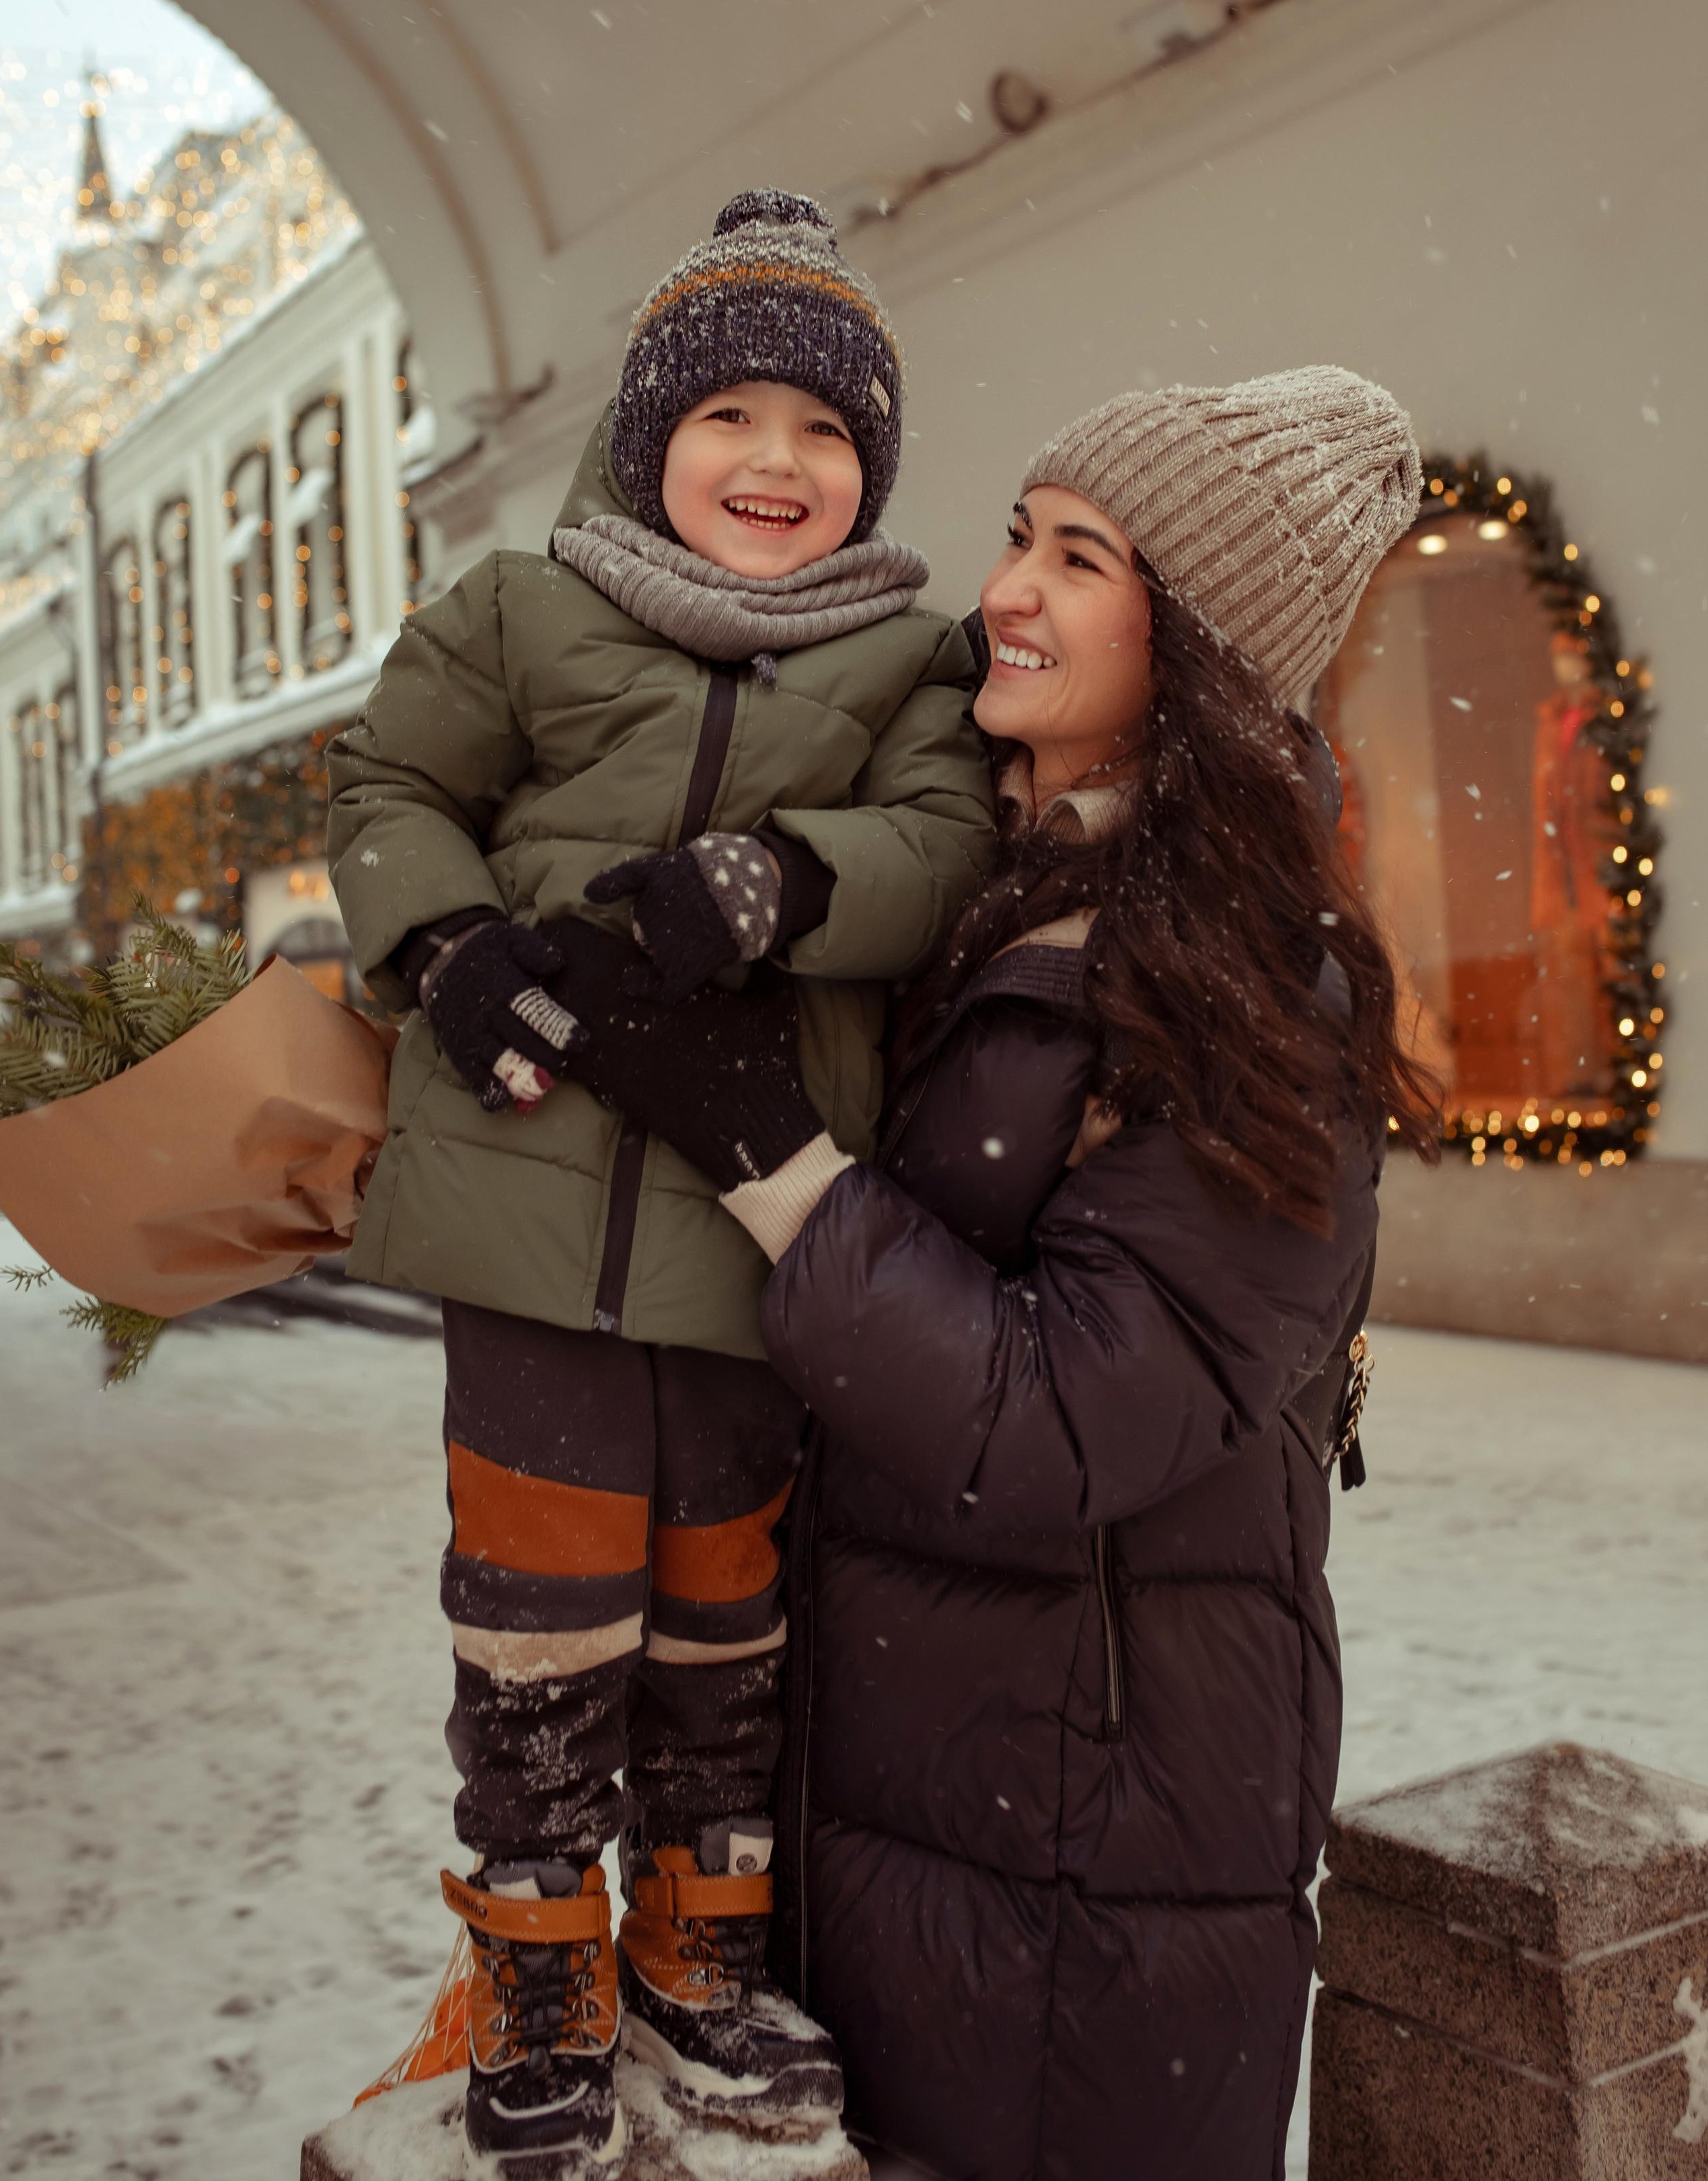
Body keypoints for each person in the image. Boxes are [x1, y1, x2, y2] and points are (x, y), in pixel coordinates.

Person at [549, 367, 1441, 2181]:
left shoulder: (1256, 986)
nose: (1005, 593)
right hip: (907, 1807)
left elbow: (1058, 1413)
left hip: (1089, 1885)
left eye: (1079, 555)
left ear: (1189, 645)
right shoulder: (989, 899)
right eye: (1018, 536)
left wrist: (767, 1147)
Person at [326, 190, 996, 2172]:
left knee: (722, 1623)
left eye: (825, 430)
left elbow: (943, 846)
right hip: (526, 1213)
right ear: (646, 440)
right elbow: (386, 785)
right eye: (731, 419)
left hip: (745, 1231)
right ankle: (539, 1952)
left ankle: (698, 1943)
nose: (778, 464)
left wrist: (783, 880)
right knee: (533, 1615)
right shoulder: (522, 612)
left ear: (869, 467)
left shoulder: (905, 662)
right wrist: (447, 944)